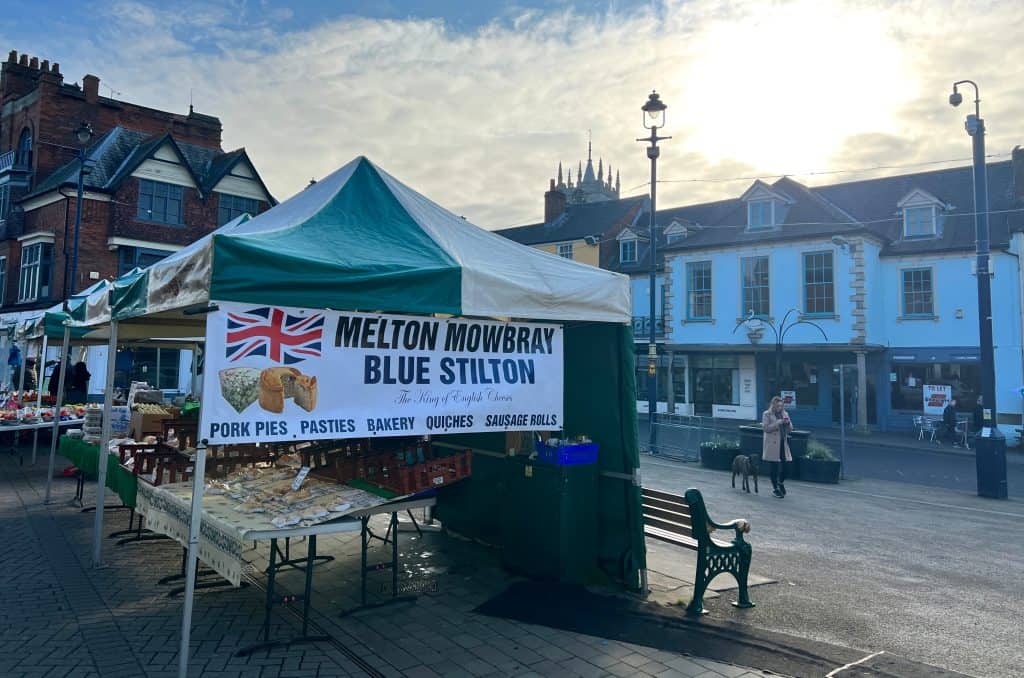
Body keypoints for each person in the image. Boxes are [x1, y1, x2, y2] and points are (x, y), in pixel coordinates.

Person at [762, 395, 793, 499]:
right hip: (772, 444)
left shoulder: (785, 414)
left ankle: (780, 482)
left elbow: (790, 429)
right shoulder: (767, 414)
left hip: (783, 443)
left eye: (781, 405)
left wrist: (787, 423)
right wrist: (777, 423)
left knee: (786, 467)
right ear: (773, 405)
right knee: (774, 467)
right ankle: (775, 489)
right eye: (778, 405)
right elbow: (766, 428)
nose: (780, 407)